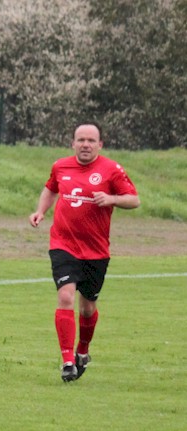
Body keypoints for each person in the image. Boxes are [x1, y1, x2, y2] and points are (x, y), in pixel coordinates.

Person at [29, 122, 140, 382]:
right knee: (66, 296)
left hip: (96, 250)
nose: (86, 144)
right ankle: (67, 360)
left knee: (87, 307)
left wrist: (112, 199)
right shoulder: (61, 166)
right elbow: (51, 188)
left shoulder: (112, 170)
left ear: (100, 144)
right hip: (63, 244)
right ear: (73, 143)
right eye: (81, 140)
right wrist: (40, 211)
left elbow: (134, 199)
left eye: (91, 140)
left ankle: (83, 351)